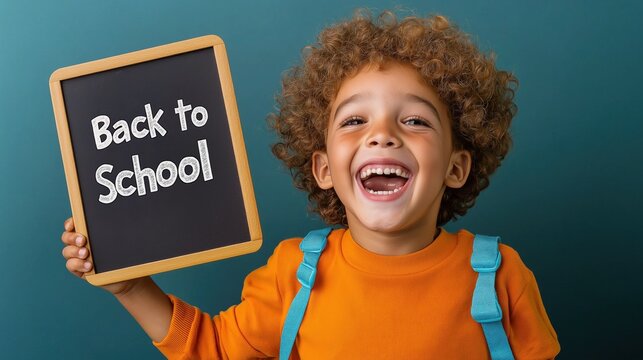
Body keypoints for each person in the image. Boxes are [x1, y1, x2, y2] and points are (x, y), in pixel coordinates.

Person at [60, 11, 560, 359]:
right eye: (353, 122)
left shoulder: (499, 278)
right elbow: (209, 349)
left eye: (414, 121)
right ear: (323, 168)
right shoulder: (293, 274)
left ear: (456, 167)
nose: (381, 135)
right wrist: (128, 285)